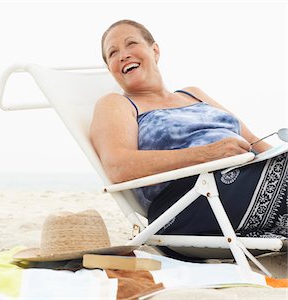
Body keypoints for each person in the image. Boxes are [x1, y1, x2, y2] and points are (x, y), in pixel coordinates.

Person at [90, 19, 287, 239]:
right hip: (188, 201)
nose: (123, 55)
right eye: (113, 53)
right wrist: (207, 155)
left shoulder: (193, 94)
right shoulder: (116, 104)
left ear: (154, 51)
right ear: (111, 69)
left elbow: (254, 142)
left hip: (245, 181)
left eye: (131, 43)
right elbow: (118, 167)